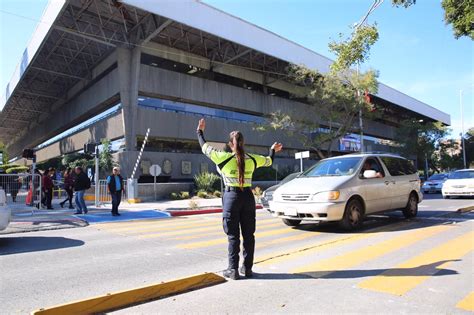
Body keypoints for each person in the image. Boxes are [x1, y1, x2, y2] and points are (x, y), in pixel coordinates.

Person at [196, 118, 283, 280]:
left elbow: (204, 147)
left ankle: (233, 270)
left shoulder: (222, 157)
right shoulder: (253, 159)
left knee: (233, 236)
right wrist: (272, 150)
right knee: (249, 235)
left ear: (230, 144)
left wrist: (199, 131)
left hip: (231, 197)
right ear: (243, 143)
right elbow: (269, 161)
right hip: (248, 198)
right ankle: (247, 269)